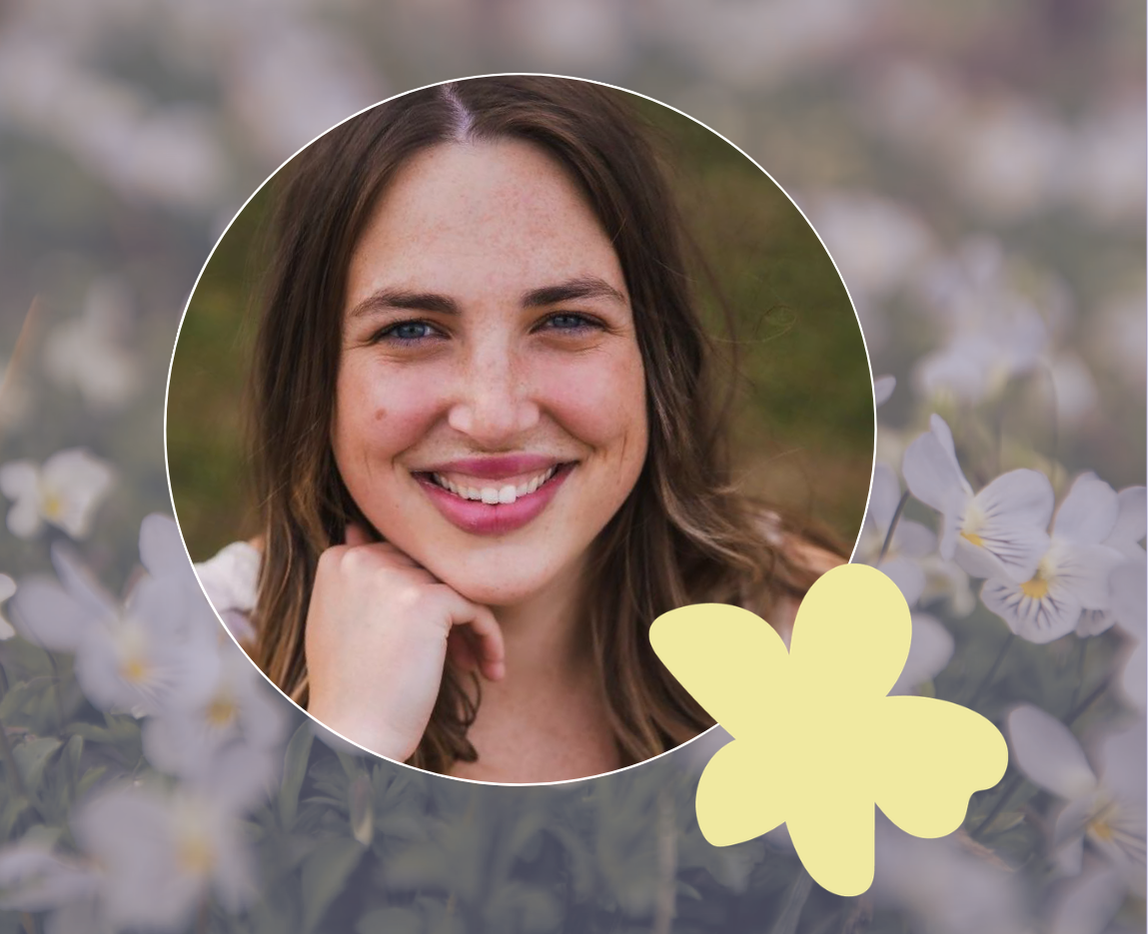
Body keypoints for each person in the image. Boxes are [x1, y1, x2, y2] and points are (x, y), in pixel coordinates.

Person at [195, 76, 849, 783]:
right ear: (317, 376)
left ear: (653, 353)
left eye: (567, 321)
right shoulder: (180, 663)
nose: (495, 416)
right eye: (411, 329)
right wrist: (351, 742)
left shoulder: (813, 628)